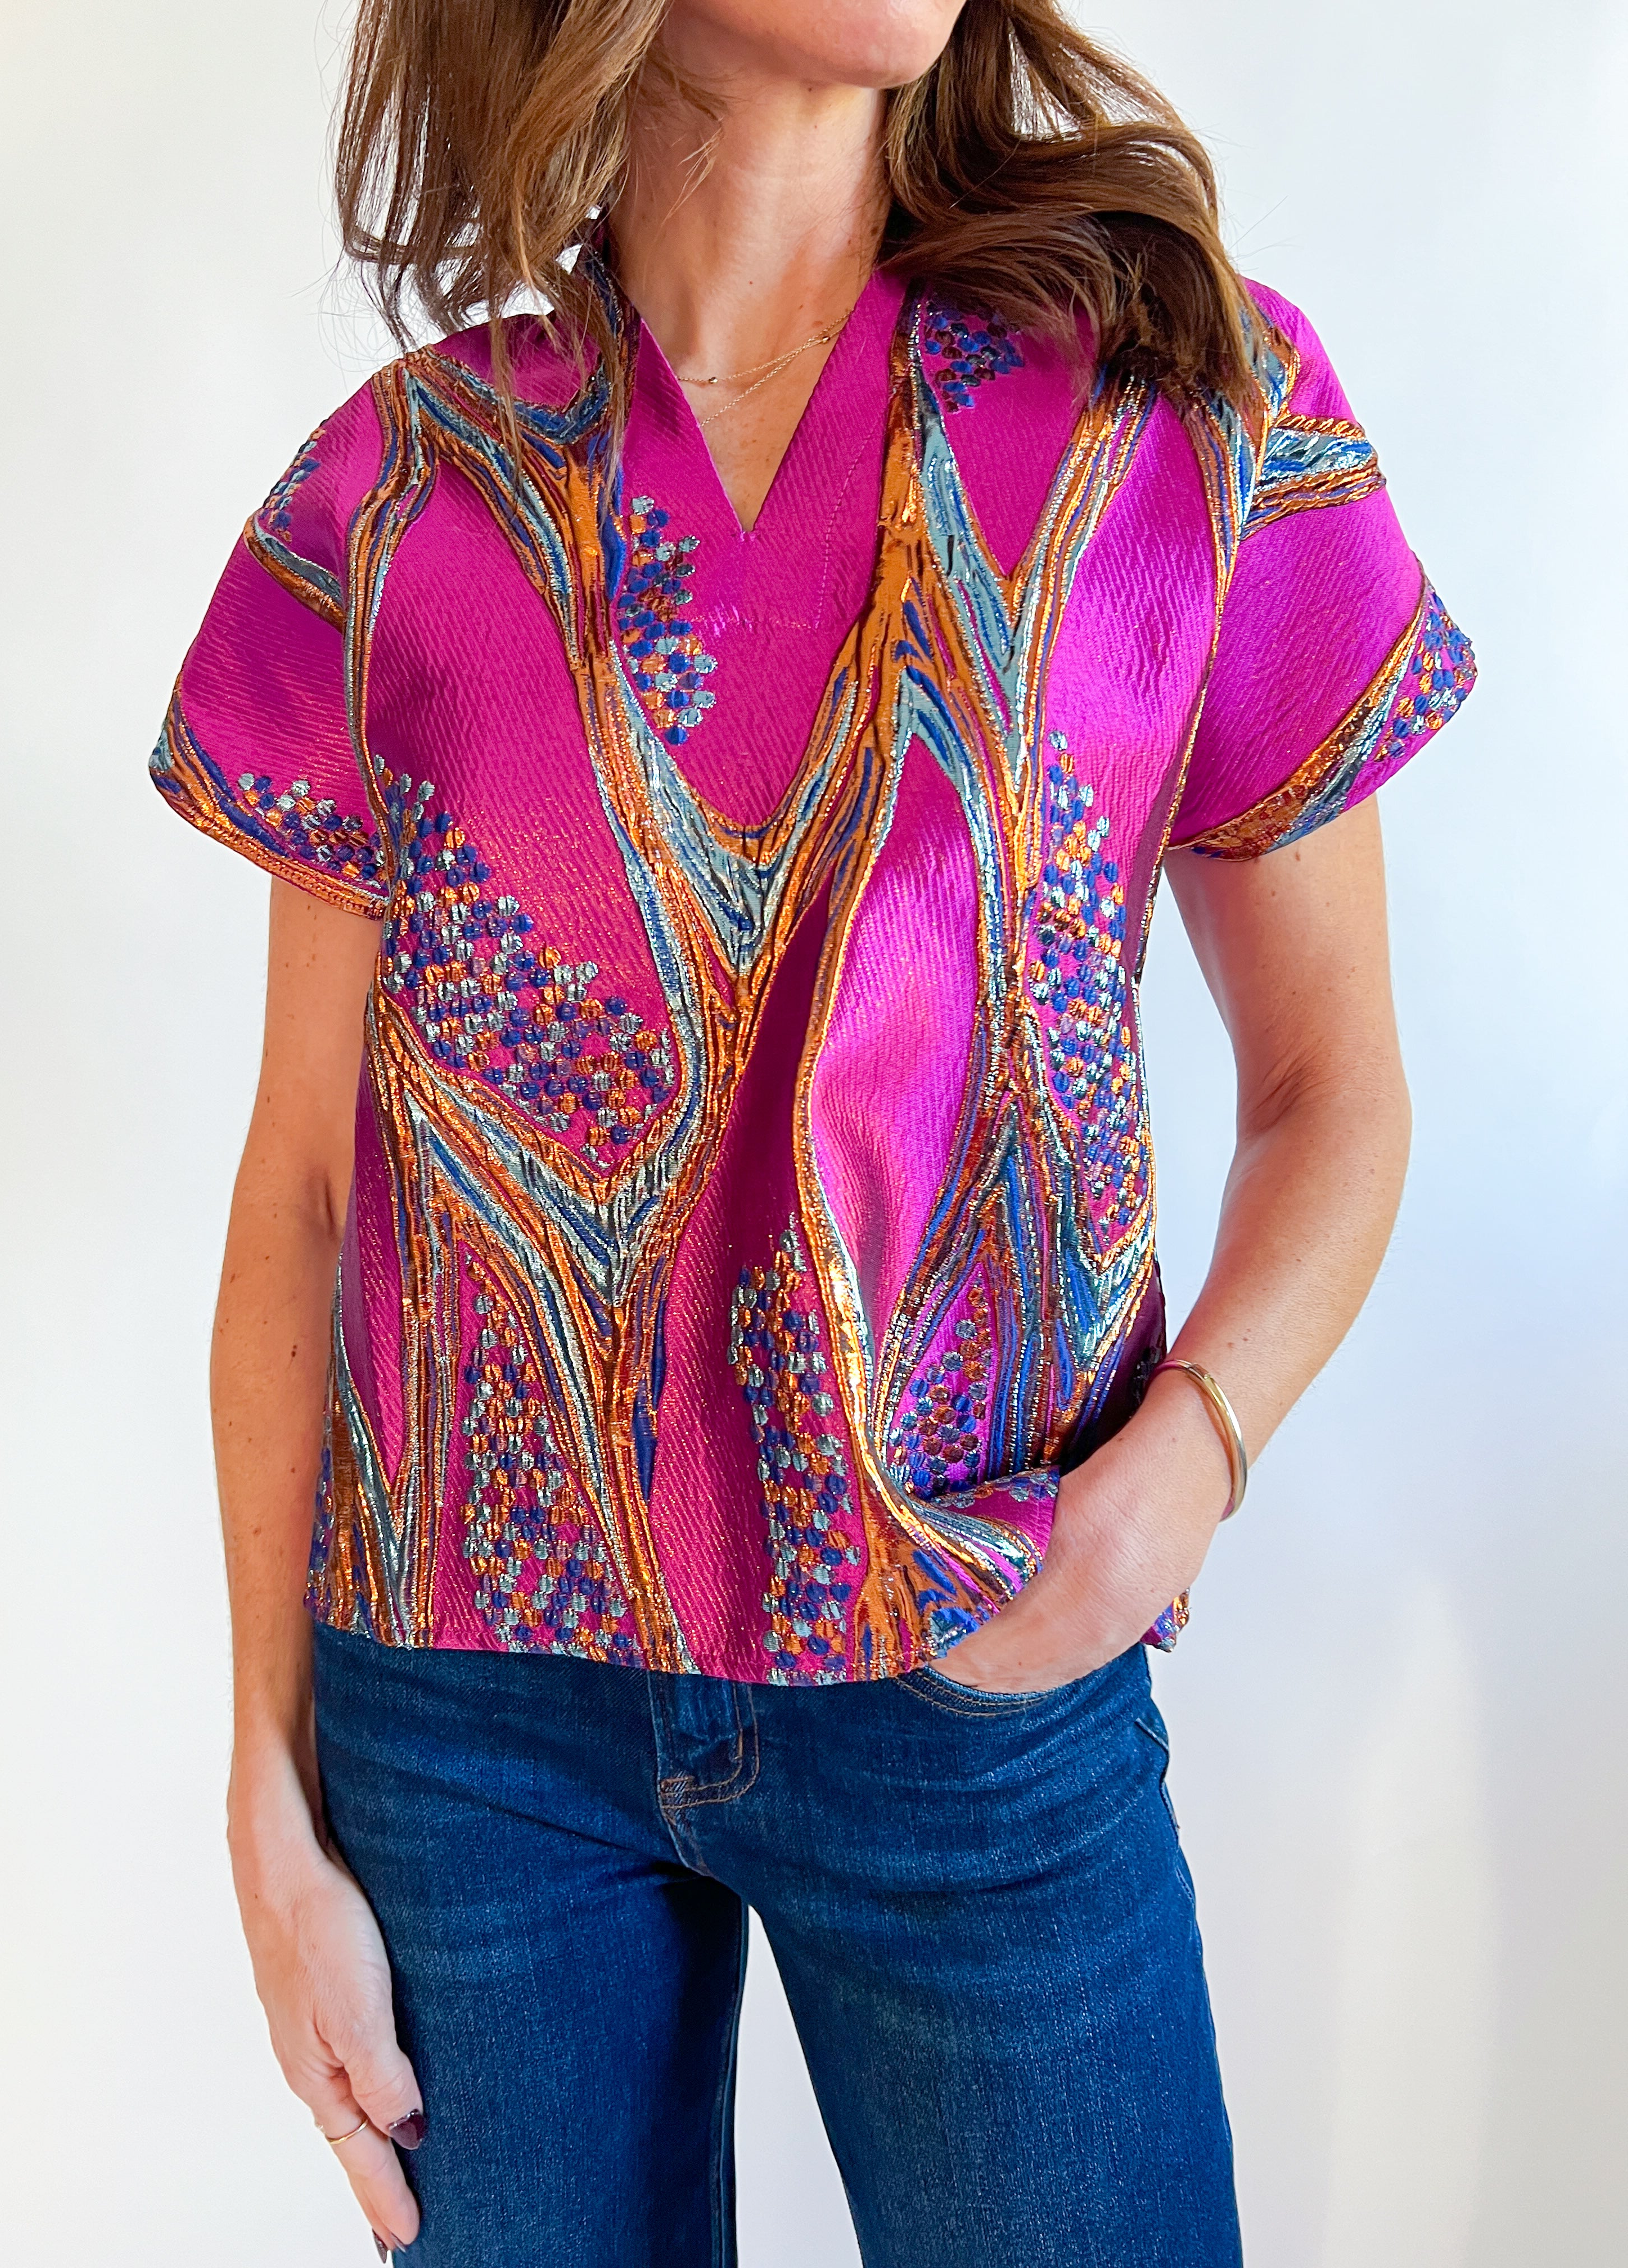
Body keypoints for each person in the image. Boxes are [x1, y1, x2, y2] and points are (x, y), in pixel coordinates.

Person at [151, 1, 1474, 2260]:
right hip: (467, 1727)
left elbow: (1335, 1088)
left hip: (983, 1676)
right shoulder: (402, 499)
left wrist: (1177, 1479)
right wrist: (267, 1793)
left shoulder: (1178, 417)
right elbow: (303, 1188)